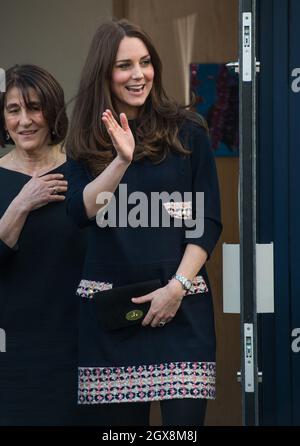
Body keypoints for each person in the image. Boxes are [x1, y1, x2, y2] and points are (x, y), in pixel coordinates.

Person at [66, 19, 222, 426]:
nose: (139, 75)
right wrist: (121, 159)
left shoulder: (188, 131)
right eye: (125, 65)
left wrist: (177, 288)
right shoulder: (85, 137)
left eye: (146, 62)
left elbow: (205, 220)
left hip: (181, 310)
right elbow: (82, 211)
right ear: (104, 72)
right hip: (114, 319)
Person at [0, 64, 86, 426]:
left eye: (34, 108)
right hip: (12, 354)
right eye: (13, 110)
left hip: (78, 349)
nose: (25, 121)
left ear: (52, 112)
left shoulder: (84, 176)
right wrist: (21, 203)